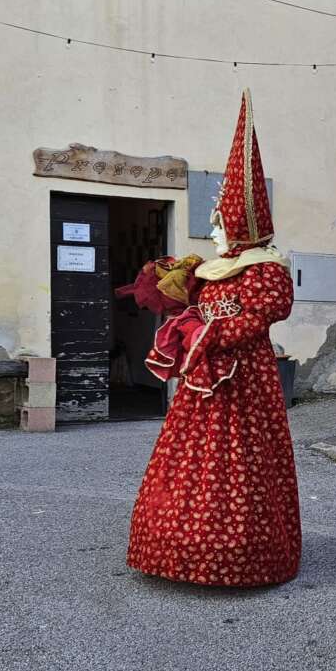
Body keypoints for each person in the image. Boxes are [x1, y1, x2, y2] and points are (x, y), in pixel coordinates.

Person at [125, 91, 301, 587]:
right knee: (188, 461)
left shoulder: (266, 270)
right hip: (202, 385)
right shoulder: (213, 268)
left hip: (246, 386)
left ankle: (242, 553)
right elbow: (190, 304)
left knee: (242, 463)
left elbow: (255, 319)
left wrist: (201, 332)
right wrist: (172, 287)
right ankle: (175, 547)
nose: (215, 231)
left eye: (222, 223)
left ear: (243, 225)